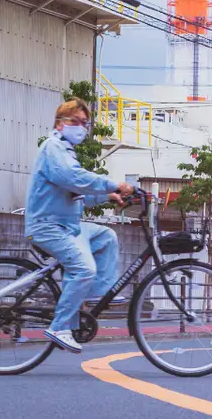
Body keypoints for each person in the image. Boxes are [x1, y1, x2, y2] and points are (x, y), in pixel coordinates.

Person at [26, 97, 135, 354]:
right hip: (48, 226)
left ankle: (97, 292)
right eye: (74, 121)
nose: (80, 127)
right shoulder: (53, 148)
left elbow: (75, 194)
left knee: (106, 236)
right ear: (59, 124)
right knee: (84, 268)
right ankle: (60, 326)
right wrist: (112, 184)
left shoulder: (65, 151)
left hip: (68, 225)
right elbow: (72, 178)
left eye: (84, 123)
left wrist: (108, 197)